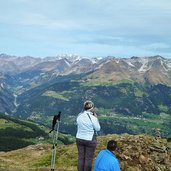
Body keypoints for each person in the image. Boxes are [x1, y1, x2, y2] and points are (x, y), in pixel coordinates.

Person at [76, 100, 101, 171]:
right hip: (90, 139)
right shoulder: (93, 118)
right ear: (92, 108)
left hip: (79, 138)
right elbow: (98, 128)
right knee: (88, 158)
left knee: (81, 157)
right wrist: (96, 118)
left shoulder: (79, 116)